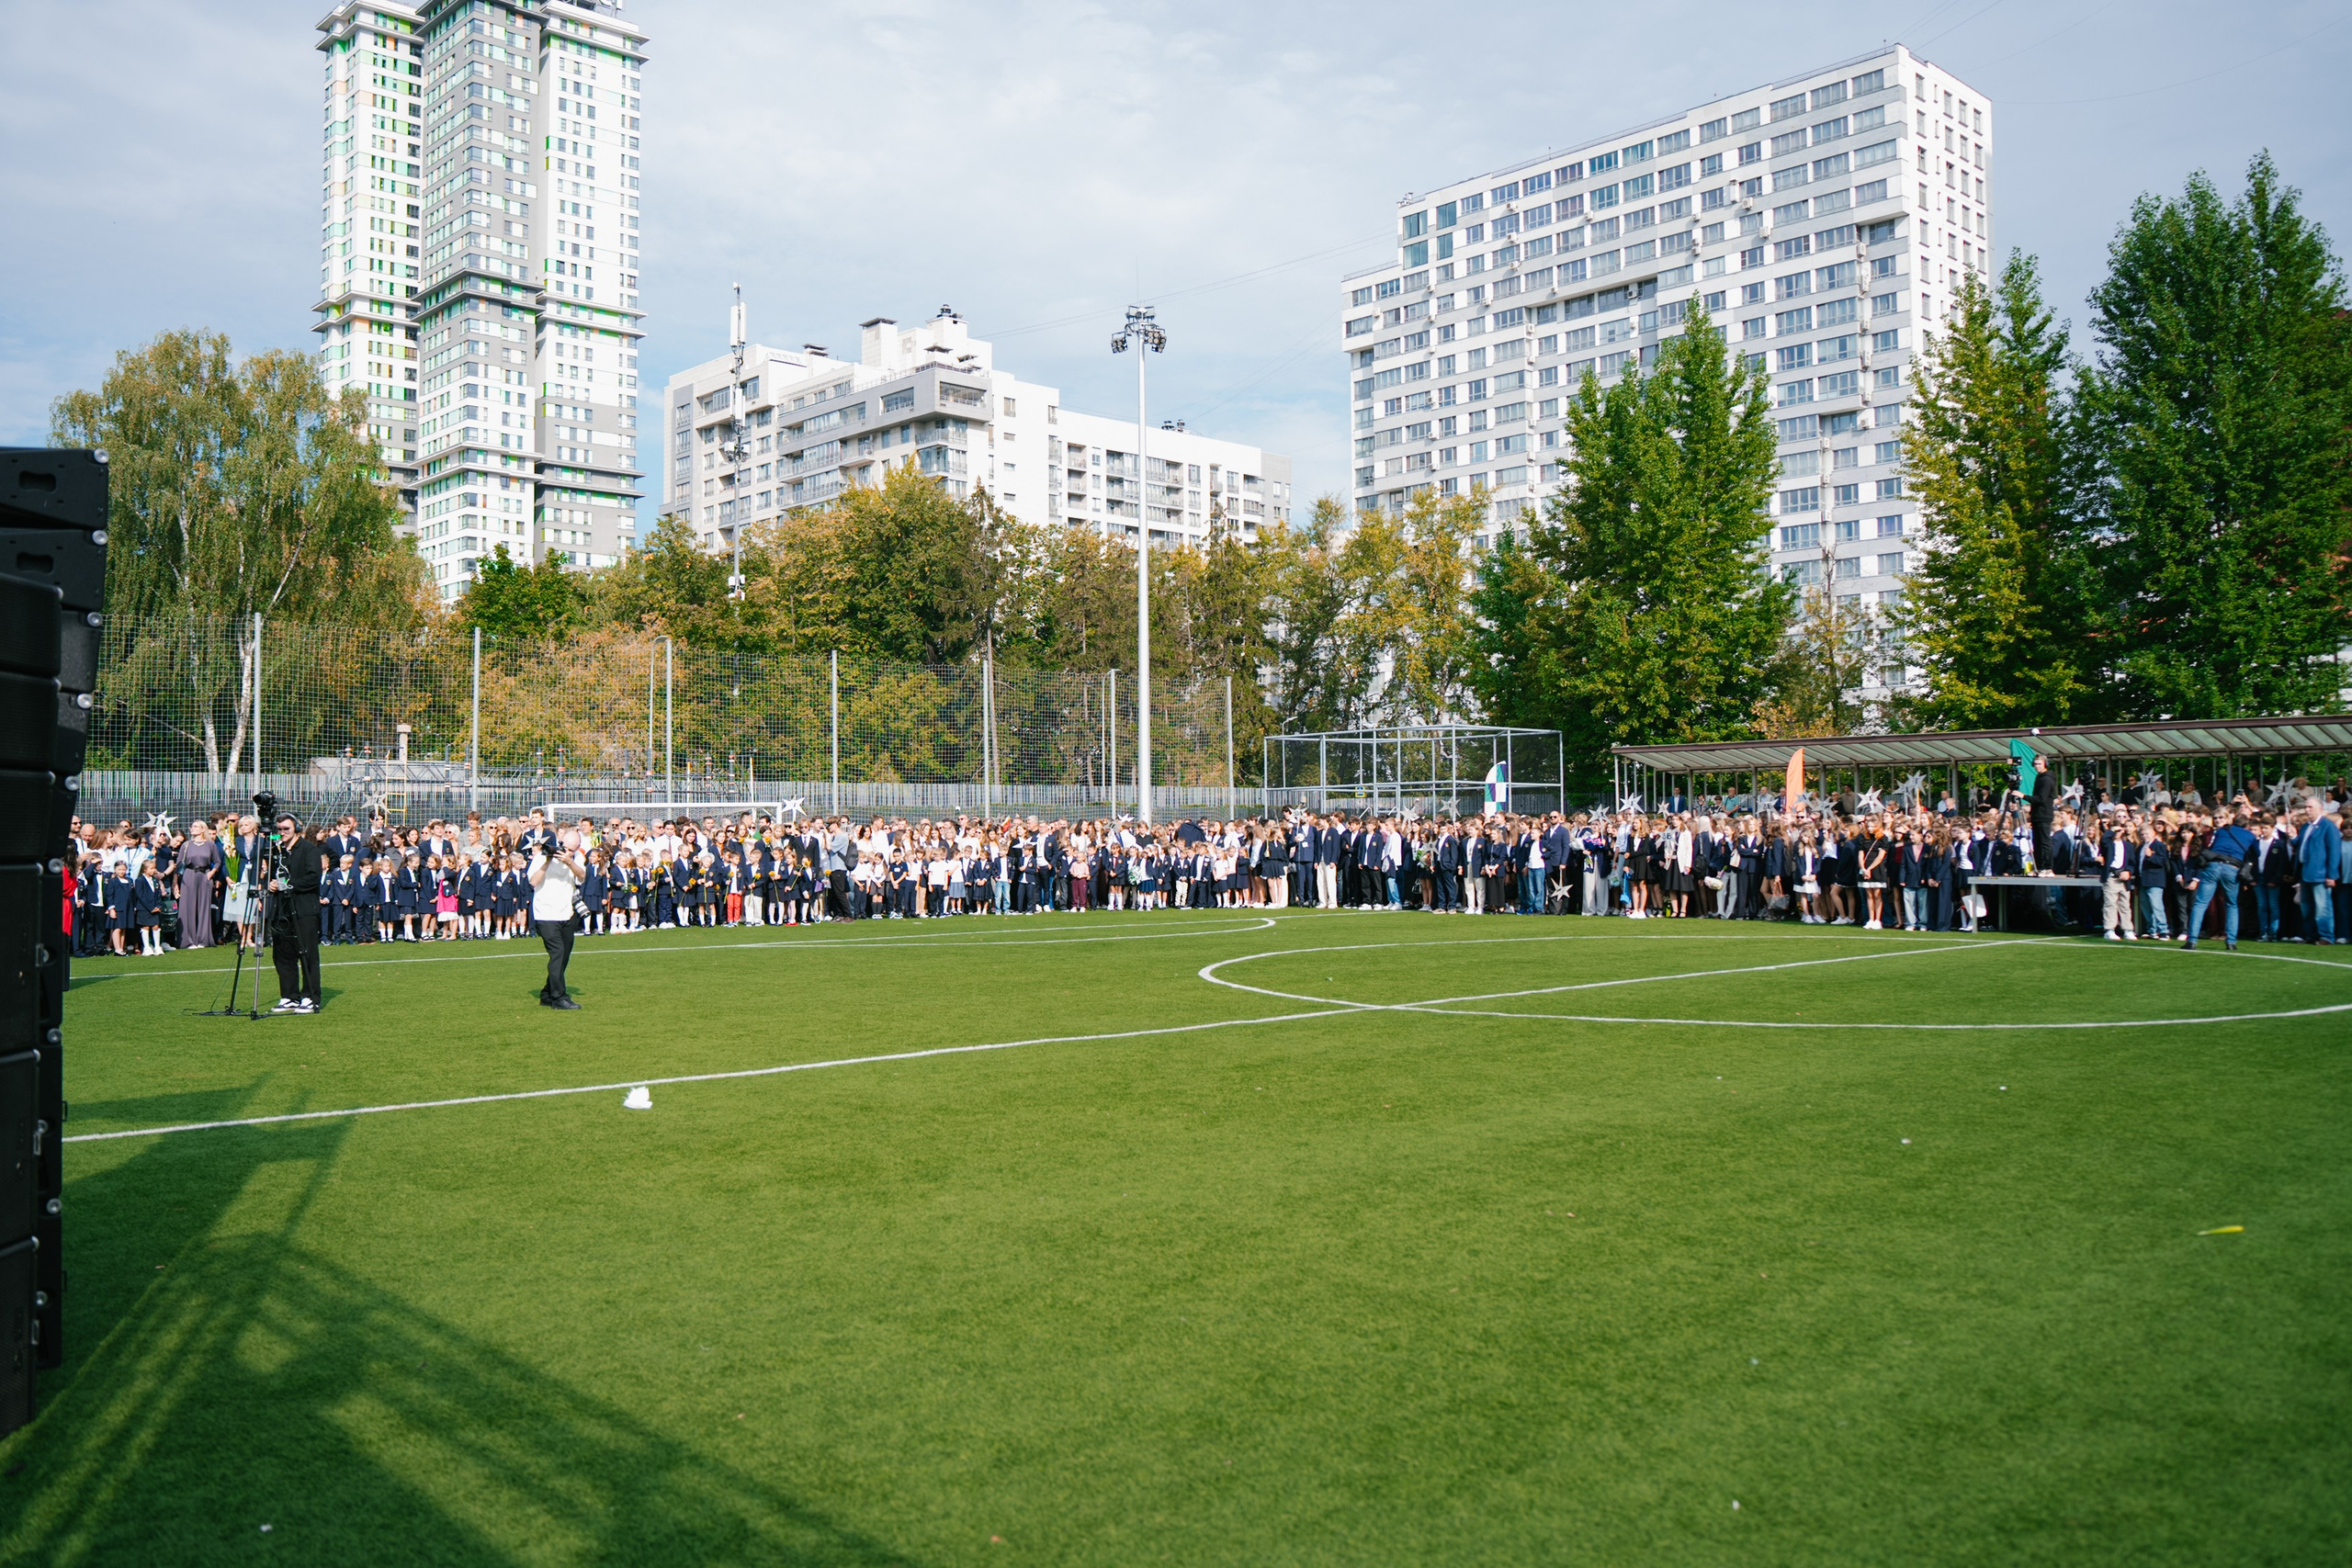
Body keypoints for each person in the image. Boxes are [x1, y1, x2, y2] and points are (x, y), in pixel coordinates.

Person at [267, 813, 324, 1012]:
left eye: (286, 829)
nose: (282, 833)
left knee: (307, 953)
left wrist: (288, 885)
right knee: (283, 954)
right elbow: (270, 874)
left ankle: (310, 996)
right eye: (279, 829)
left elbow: (313, 877)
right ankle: (289, 996)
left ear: (297, 829)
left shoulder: (309, 850)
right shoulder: (277, 851)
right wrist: (272, 884)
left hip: (304, 909)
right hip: (281, 910)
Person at [2182, 807, 2255, 953]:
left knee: (2200, 903)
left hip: (2214, 866)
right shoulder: (2250, 836)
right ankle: (2231, 941)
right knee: (2231, 905)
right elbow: (2255, 853)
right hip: (2232, 868)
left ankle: (2192, 940)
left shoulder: (2222, 831)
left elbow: (2213, 849)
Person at [529, 829, 585, 1010]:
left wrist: (569, 862)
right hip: (546, 914)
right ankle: (559, 997)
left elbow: (582, 876)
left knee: (564, 956)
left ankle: (547, 993)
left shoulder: (576, 859)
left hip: (566, 913)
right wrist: (547, 861)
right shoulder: (542, 857)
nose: (566, 852)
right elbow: (533, 882)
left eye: (571, 849)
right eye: (564, 848)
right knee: (557, 953)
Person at [2295, 798, 2341, 947]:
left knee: (2322, 907)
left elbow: (2334, 852)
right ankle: (2311, 934)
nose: (2307, 810)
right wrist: (2292, 838)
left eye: (2310, 807)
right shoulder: (2306, 827)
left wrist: (2331, 875)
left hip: (2320, 874)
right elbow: (2302, 846)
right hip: (2305, 872)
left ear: (2320, 808)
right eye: (2306, 807)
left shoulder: (2328, 827)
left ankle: (2326, 936)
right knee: (2306, 907)